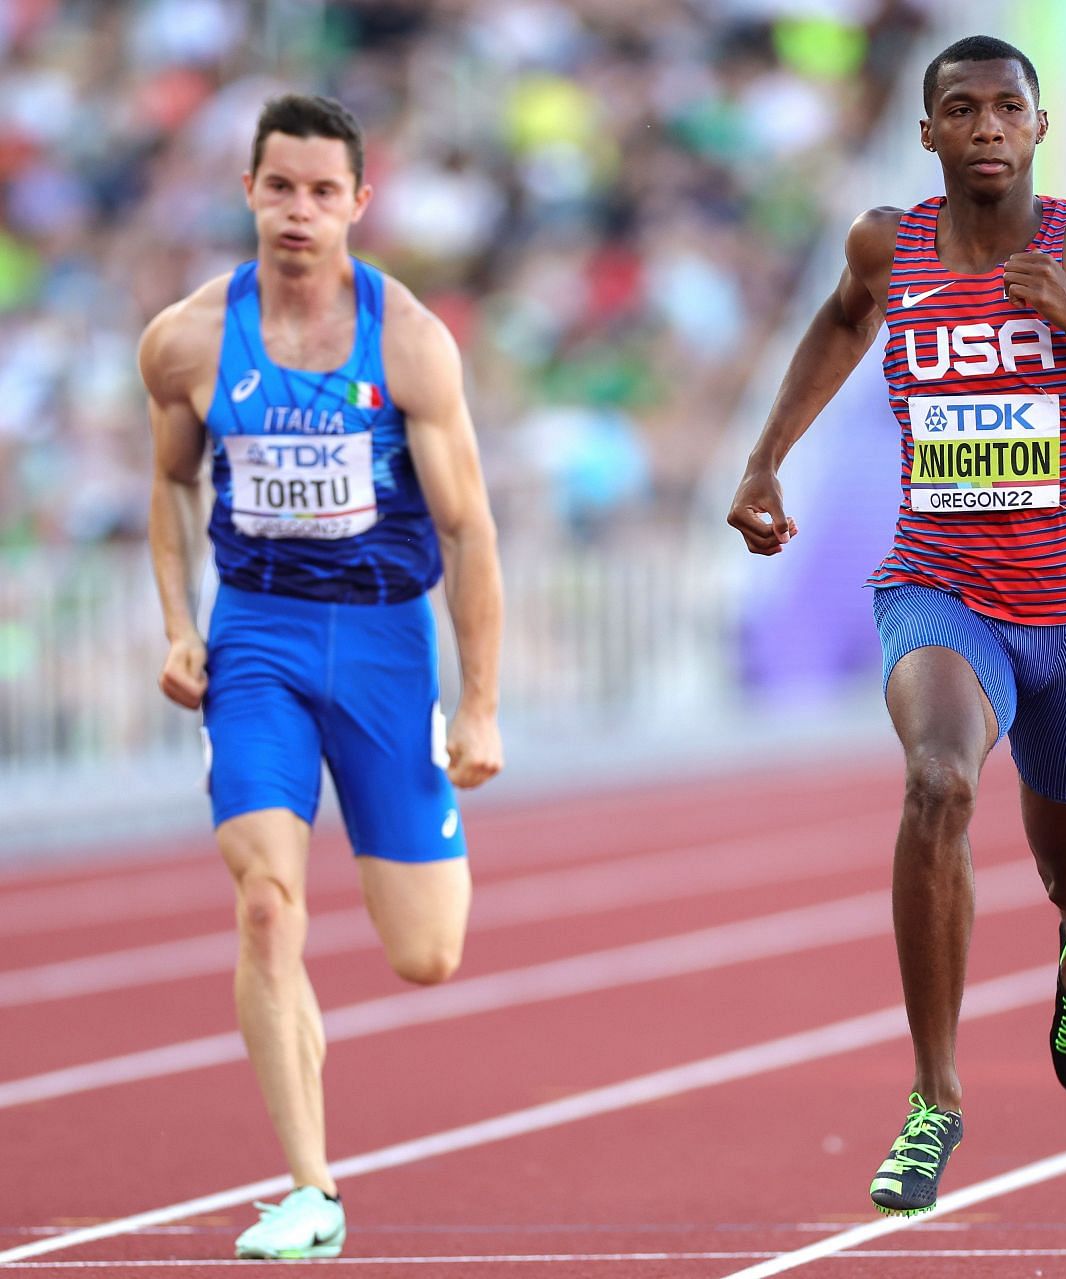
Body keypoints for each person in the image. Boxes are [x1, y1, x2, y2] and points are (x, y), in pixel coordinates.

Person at [727, 35, 1066, 1216]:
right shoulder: (886, 246)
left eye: (1010, 108)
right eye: (964, 110)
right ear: (930, 135)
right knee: (938, 782)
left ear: (1038, 127)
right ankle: (935, 1097)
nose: (989, 128)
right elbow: (845, 320)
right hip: (941, 590)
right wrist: (765, 460)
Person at [139, 94, 504, 1259]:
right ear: (249, 190)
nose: (300, 209)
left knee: (425, 954)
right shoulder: (189, 340)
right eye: (280, 186)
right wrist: (174, 626)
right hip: (259, 638)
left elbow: (469, 528)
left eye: (322, 190)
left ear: (359, 201)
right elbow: (168, 488)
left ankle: (312, 1117)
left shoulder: (407, 341)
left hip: (390, 644)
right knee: (263, 907)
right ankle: (311, 1187)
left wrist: (484, 700)